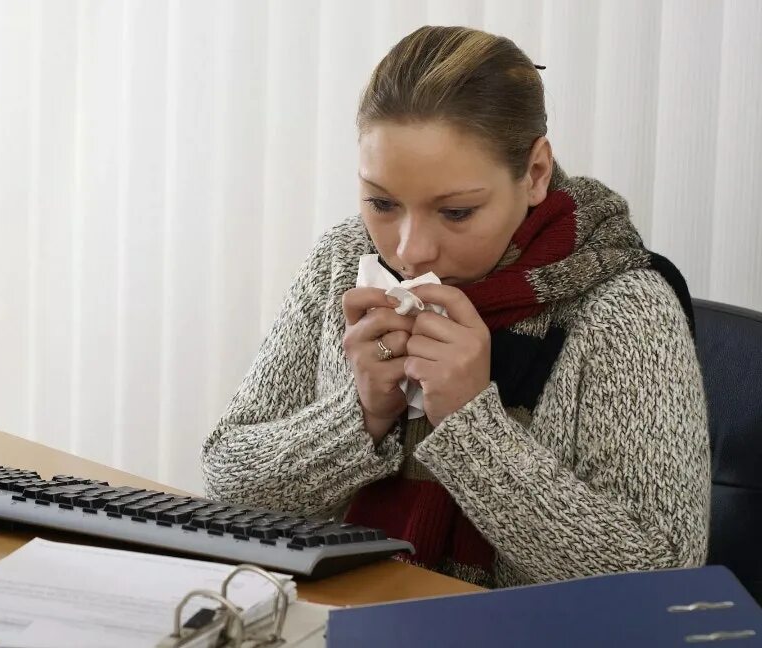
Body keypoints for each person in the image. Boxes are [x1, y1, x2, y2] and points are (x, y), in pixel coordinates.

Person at [200, 25, 710, 588]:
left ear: (535, 172)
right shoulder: (343, 259)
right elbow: (229, 480)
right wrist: (361, 417)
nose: (409, 250)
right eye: (381, 202)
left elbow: (661, 577)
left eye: (458, 212)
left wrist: (471, 426)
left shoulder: (625, 309)